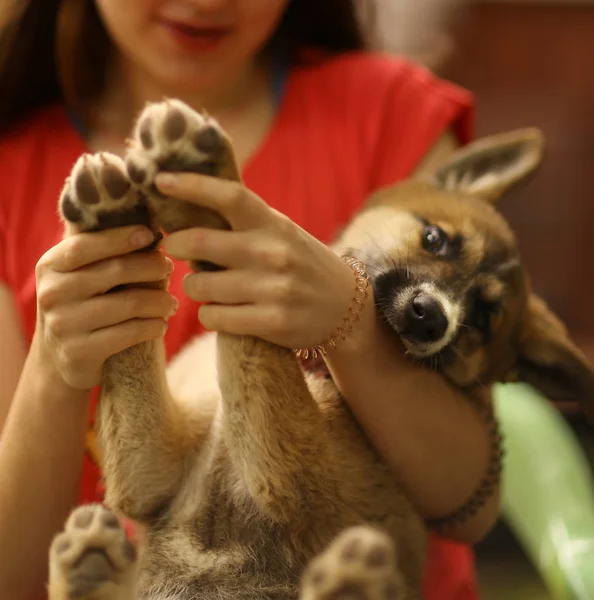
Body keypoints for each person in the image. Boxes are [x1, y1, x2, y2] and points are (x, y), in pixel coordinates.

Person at [0, 1, 498, 598]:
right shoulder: (10, 166)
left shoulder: (393, 118)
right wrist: (56, 369)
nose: (208, 2)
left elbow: (469, 502)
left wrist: (353, 320)